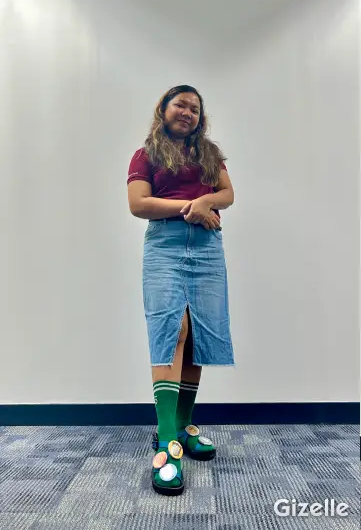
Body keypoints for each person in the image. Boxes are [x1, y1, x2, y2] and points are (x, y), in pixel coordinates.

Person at [127, 85, 235, 495]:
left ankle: (185, 427)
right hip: (166, 247)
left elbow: (228, 194)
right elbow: (139, 204)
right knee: (172, 331)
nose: (187, 112)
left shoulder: (210, 155)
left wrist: (208, 198)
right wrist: (193, 208)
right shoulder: (147, 154)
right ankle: (166, 439)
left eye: (194, 107)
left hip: (208, 250)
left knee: (198, 337)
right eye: (180, 105)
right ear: (164, 109)